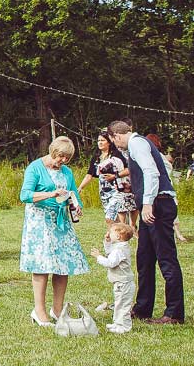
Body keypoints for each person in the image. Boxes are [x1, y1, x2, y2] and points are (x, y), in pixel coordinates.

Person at [110, 120, 184, 326]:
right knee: (144, 258)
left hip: (158, 204)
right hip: (153, 203)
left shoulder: (137, 144)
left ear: (116, 136)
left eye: (114, 141)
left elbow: (152, 172)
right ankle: (142, 308)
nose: (117, 146)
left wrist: (148, 203)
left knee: (167, 260)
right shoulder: (138, 144)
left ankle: (174, 313)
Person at [18, 135, 88, 326]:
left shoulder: (67, 172)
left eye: (67, 159)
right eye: (60, 157)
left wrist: (76, 205)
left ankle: (58, 310)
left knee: (62, 265)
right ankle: (39, 311)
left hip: (61, 222)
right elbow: (25, 195)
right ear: (52, 152)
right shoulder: (35, 168)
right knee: (42, 266)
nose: (63, 162)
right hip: (39, 221)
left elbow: (73, 192)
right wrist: (50, 193)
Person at [91, 221, 136, 334]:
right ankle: (117, 323)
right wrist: (107, 241)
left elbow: (110, 262)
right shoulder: (119, 246)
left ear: (118, 236)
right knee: (118, 304)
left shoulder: (120, 250)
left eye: (110, 232)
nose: (108, 233)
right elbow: (109, 252)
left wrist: (98, 257)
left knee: (123, 306)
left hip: (124, 283)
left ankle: (124, 326)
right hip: (120, 282)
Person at [87, 131, 136, 227]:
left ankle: (120, 236)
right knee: (114, 220)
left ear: (109, 142)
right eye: (98, 140)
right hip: (104, 192)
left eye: (102, 140)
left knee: (110, 218)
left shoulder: (116, 155)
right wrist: (79, 188)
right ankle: (117, 237)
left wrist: (115, 176)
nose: (100, 143)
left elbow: (129, 169)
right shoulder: (97, 157)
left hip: (117, 190)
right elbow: (89, 174)